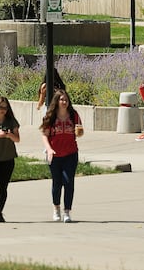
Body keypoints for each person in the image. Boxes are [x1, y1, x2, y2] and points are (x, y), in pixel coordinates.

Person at [41, 89, 83, 223]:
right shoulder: (50, 116)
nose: (64, 102)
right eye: (61, 100)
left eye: (66, 100)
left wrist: (79, 132)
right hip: (55, 154)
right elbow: (44, 135)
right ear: (57, 101)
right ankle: (56, 208)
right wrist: (48, 149)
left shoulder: (74, 115)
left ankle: (67, 212)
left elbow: (79, 130)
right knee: (57, 183)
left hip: (71, 153)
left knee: (69, 182)